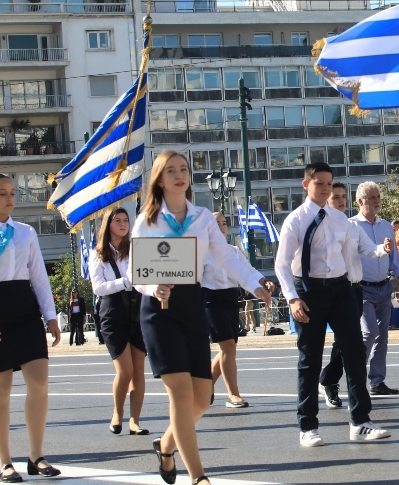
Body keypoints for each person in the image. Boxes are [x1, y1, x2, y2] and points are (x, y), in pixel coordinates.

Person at [130, 150, 271, 484]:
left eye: (184, 170)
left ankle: (165, 447)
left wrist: (254, 283)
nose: (180, 176)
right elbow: (136, 273)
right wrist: (154, 287)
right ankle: (198, 477)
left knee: (201, 399)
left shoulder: (203, 217)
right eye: (171, 171)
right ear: (159, 180)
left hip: (193, 303)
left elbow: (227, 256)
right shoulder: (147, 220)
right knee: (179, 396)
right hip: (159, 310)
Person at [276, 163, 393, 447]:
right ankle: (307, 426)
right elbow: (281, 264)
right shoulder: (295, 220)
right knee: (310, 359)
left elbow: (345, 259)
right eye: (320, 184)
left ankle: (360, 421)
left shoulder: (341, 221)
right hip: (309, 290)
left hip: (340, 289)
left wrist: (349, 285)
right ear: (307, 185)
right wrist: (293, 297)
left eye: (329, 184)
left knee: (353, 353)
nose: (326, 189)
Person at [0, 173, 62, 481]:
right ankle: (4, 462)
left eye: (12, 192)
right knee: (0, 391)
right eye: (2, 193)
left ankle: (36, 455)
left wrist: (51, 315)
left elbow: (39, 276)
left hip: (25, 309)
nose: (9, 198)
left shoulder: (25, 232)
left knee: (39, 384)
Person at [318, 181, 391, 410]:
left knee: (351, 343)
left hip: (355, 291)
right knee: (349, 342)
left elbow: (370, 250)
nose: (340, 201)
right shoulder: (322, 227)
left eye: (342, 197)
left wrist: (384, 249)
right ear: (326, 202)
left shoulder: (353, 229)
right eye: (335, 197)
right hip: (336, 290)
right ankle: (332, 383)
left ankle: (336, 382)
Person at [205, 212, 275, 410]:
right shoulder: (202, 251)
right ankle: (233, 394)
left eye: (224, 223)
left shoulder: (234, 251)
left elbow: (248, 270)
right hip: (210, 300)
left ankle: (207, 383)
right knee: (227, 345)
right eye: (216, 223)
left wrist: (264, 282)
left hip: (230, 299)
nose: (221, 227)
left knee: (229, 347)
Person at [89, 208, 149, 436]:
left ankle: (135, 421)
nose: (123, 224)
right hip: (113, 313)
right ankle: (117, 412)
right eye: (118, 221)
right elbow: (98, 287)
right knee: (125, 370)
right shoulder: (99, 254)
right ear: (108, 225)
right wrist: (125, 282)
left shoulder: (135, 249)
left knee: (139, 371)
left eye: (126, 220)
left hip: (138, 310)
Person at [353, 181, 399, 396]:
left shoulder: (387, 226)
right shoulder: (352, 226)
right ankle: (355, 377)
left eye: (378, 197)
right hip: (362, 289)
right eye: (372, 197)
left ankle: (377, 382)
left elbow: (396, 261)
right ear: (360, 201)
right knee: (370, 333)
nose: (377, 201)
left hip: (384, 288)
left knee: (382, 336)